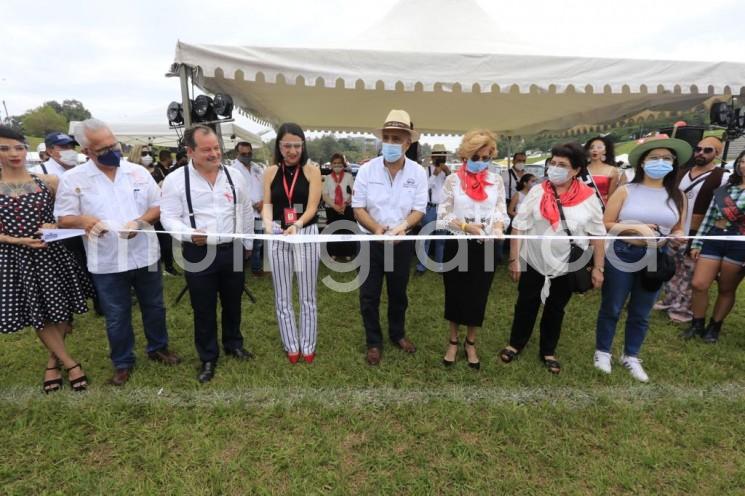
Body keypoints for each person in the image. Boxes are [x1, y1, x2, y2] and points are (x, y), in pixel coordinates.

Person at [56, 118, 180, 387]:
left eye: (114, 144)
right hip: (107, 259)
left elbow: (158, 206)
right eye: (104, 148)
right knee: (116, 313)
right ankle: (122, 362)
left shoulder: (137, 172)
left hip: (144, 252)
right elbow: (63, 218)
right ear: (87, 151)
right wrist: (84, 221)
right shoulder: (73, 179)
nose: (113, 151)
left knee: (154, 306)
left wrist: (141, 222)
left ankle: (158, 347)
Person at [0, 126, 93, 392]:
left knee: (60, 310)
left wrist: (55, 225)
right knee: (38, 313)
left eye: (18, 147)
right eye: (5, 148)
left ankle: (53, 358)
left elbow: (66, 213)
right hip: (17, 258)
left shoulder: (48, 181)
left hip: (52, 253)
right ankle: (68, 362)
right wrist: (18, 240)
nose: (14, 153)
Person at [500, 142, 606, 375]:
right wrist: (514, 259)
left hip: (567, 264)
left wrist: (599, 268)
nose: (555, 168)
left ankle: (548, 350)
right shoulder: (538, 191)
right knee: (526, 304)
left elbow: (598, 235)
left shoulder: (589, 198)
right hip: (534, 260)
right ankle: (515, 344)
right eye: (553, 163)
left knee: (556, 307)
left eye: (562, 165)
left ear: (576, 170)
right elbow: (519, 225)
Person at [161, 125, 255, 383]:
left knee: (233, 301)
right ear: (190, 151)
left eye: (216, 148)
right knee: (203, 307)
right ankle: (208, 356)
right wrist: (188, 233)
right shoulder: (175, 180)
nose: (214, 154)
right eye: (206, 150)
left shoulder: (235, 176)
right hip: (198, 251)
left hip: (232, 248)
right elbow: (167, 217)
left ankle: (233, 343)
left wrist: (247, 244)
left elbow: (245, 210)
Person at [594, 135, 689, 382]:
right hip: (623, 253)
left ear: (673, 163)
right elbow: (606, 224)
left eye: (666, 158)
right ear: (643, 162)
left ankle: (631, 355)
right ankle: (603, 351)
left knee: (642, 309)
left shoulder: (679, 195)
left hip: (657, 256)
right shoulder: (626, 190)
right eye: (654, 158)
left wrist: (678, 237)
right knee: (612, 305)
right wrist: (635, 229)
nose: (661, 162)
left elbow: (678, 227)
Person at [352, 109, 428, 366]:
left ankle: (398, 334)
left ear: (408, 142)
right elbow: (358, 207)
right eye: (387, 137)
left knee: (398, 294)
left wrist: (402, 228)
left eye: (397, 139)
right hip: (370, 240)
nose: (391, 143)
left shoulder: (418, 172)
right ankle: (374, 342)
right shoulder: (367, 171)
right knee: (368, 295)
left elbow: (419, 209)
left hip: (400, 242)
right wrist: (377, 230)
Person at [437, 130, 507, 369]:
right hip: (457, 244)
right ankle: (453, 341)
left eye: (486, 157)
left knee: (478, 296)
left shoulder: (496, 181)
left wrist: (496, 228)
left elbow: (500, 211)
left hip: (485, 247)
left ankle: (471, 342)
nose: (481, 162)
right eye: (476, 157)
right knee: (455, 294)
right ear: (466, 156)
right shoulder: (453, 181)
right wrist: (466, 226)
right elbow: (442, 217)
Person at [262, 123, 322, 364]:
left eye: (297, 145)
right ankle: (291, 344)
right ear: (279, 146)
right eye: (287, 145)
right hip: (278, 236)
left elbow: (312, 207)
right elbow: (266, 205)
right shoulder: (269, 171)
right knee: (282, 295)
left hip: (305, 232)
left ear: (303, 146)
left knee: (308, 295)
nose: (293, 150)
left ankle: (308, 345)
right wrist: (268, 224)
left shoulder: (312, 170)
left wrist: (297, 225)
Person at [659, 136, 728, 324]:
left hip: (698, 233)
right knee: (672, 268)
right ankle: (670, 300)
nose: (700, 153)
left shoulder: (722, 177)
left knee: (690, 273)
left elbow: (722, 209)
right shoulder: (682, 173)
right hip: (676, 229)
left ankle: (682, 309)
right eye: (698, 149)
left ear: (717, 153)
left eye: (707, 150)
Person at [686, 149, 745, 343]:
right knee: (698, 284)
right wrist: (697, 242)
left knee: (726, 289)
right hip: (715, 237)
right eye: (742, 162)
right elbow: (709, 217)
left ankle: (715, 326)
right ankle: (697, 323)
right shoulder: (726, 188)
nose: (744, 166)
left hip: (739, 243)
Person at [231, 141, 266, 275]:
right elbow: (235, 190)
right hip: (241, 212)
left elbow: (263, 186)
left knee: (258, 241)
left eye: (249, 153)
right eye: (243, 154)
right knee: (239, 240)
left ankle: (256, 268)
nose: (247, 156)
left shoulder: (257, 168)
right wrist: (252, 203)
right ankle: (238, 268)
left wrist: (262, 202)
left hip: (258, 212)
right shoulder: (233, 169)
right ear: (237, 153)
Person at [415, 144, 450, 274]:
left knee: (441, 240)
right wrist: (434, 175)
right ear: (433, 157)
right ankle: (421, 266)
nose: (441, 158)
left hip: (444, 209)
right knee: (425, 238)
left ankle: (439, 266)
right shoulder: (427, 170)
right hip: (430, 208)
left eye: (443, 155)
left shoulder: (448, 171)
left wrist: (447, 174)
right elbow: (423, 189)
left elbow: (453, 189)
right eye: (439, 155)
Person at [321, 152, 356, 260]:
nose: (337, 166)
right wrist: (334, 206)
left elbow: (353, 193)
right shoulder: (327, 178)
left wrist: (345, 204)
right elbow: (325, 195)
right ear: (331, 164)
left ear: (343, 164)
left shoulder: (349, 177)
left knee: (347, 230)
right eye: (335, 163)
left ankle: (348, 253)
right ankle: (333, 253)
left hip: (346, 207)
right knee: (334, 230)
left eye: (339, 163)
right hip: (331, 208)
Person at [150, 149, 179, 276]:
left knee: (168, 240)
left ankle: (168, 265)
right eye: (170, 158)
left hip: (166, 208)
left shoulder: (166, 170)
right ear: (166, 158)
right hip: (159, 210)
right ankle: (168, 267)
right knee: (165, 241)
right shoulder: (156, 172)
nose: (172, 160)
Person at [582, 136, 625, 206]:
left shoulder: (612, 170)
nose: (594, 150)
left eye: (599, 147)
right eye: (591, 148)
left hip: (603, 207)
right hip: (585, 207)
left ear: (605, 151)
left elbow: (611, 198)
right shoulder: (581, 171)